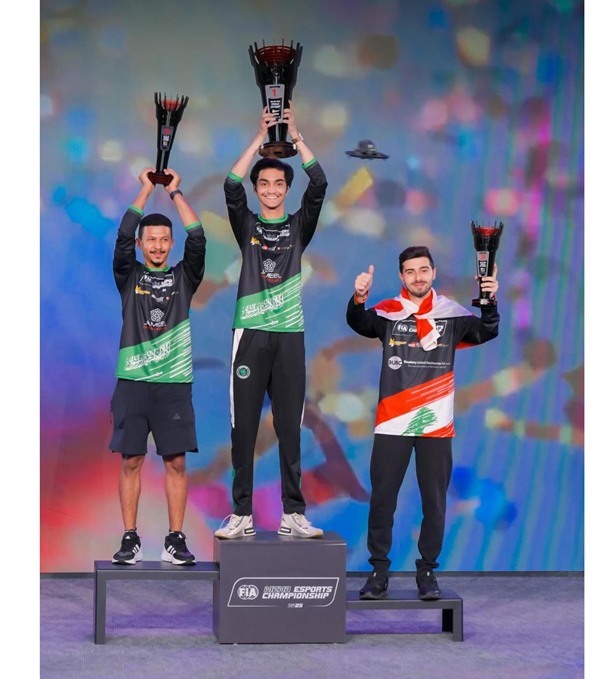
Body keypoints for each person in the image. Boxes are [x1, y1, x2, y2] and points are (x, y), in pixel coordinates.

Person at [346, 246, 499, 600]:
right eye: (411, 271)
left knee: (434, 501)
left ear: (433, 273)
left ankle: (427, 571)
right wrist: (359, 297)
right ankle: (378, 572)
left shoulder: (452, 316)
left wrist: (489, 300)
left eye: (423, 270)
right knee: (383, 499)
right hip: (393, 422)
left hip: (435, 424)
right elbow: (358, 322)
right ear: (402, 276)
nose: (418, 277)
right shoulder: (388, 313)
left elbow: (486, 330)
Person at [214, 105, 328, 540]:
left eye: (279, 184)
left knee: (289, 428)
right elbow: (230, 185)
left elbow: (319, 184)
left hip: (289, 337)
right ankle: (241, 514)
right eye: (264, 184)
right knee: (243, 426)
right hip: (250, 335)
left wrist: (295, 137)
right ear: (257, 188)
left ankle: (292, 513)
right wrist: (259, 139)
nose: (271, 190)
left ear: (286, 189)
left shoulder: (299, 227)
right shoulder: (246, 224)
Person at [109, 167, 206, 566]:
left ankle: (175, 539)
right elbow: (121, 238)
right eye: (151, 239)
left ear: (171, 244)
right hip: (133, 382)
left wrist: (176, 193)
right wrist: (147, 190)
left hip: (173, 384)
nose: (159, 246)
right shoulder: (128, 275)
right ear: (141, 243)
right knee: (131, 460)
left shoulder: (185, 277)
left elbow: (198, 238)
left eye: (165, 240)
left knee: (176, 462)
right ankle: (130, 538)